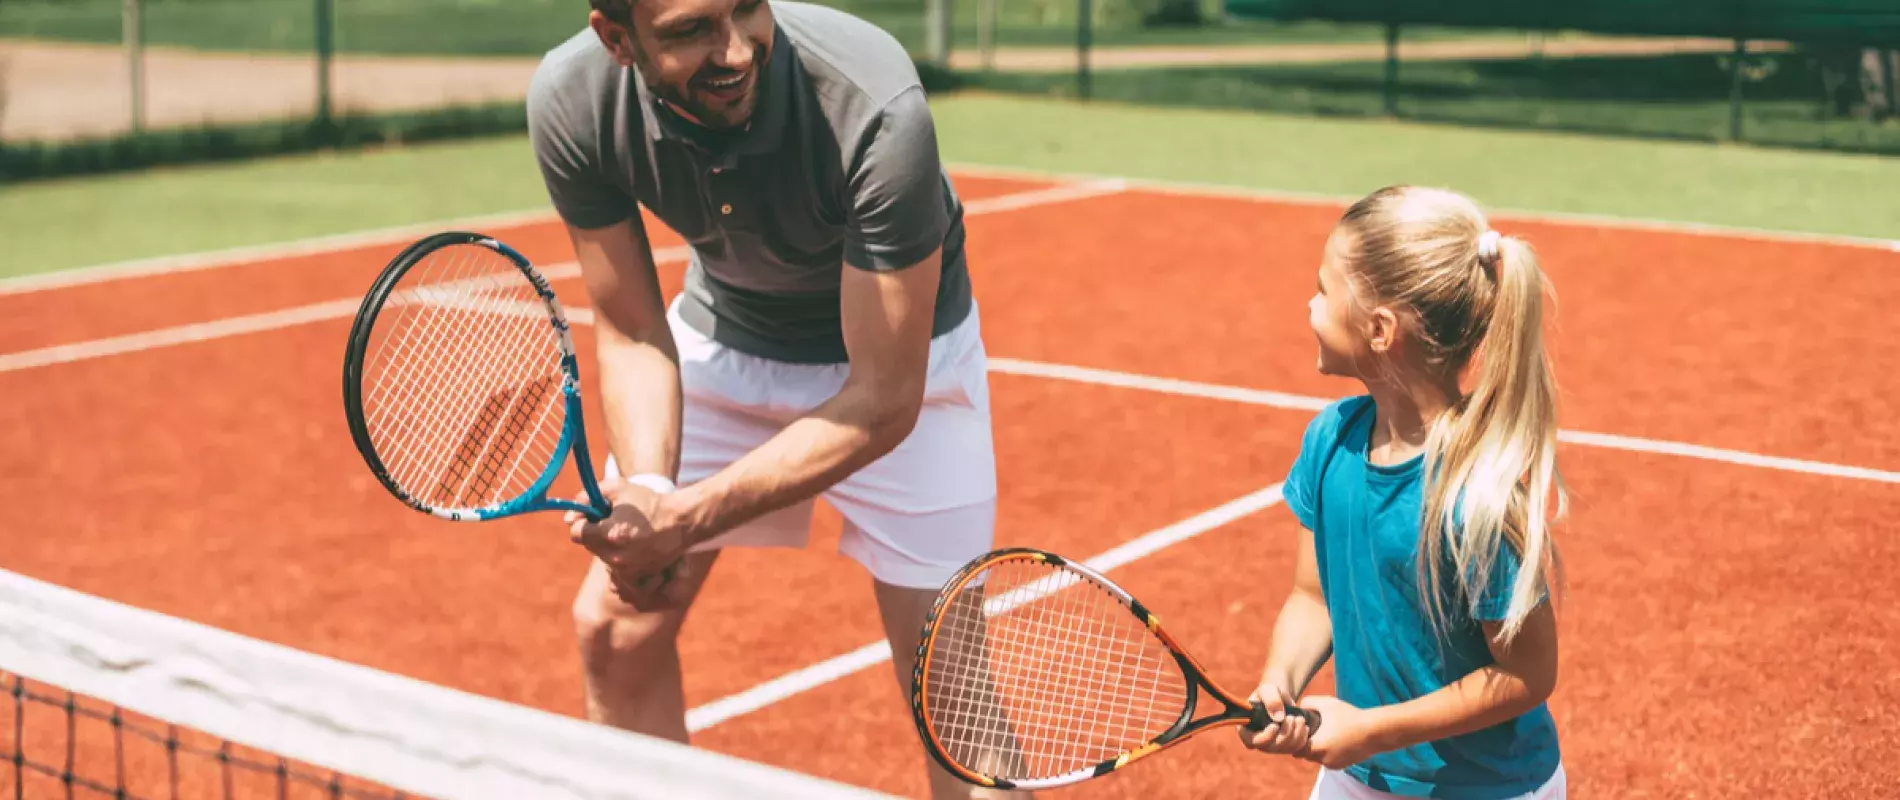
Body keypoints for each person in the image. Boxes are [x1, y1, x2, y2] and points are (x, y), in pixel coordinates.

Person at [525, 1, 1023, 797]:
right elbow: (627, 324)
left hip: (905, 366)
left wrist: (684, 521)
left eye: (748, 7)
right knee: (616, 631)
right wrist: (651, 492)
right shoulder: (572, 98)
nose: (736, 50)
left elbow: (884, 400)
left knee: (950, 687)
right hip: (726, 339)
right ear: (617, 40)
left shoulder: (873, 103)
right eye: (691, 30)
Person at [1239, 186, 1568, 799]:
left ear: (1380, 329)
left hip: (1485, 788)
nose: (1309, 305)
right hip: (1358, 773)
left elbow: (1527, 673)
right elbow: (1312, 598)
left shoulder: (1475, 496)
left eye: (1322, 290)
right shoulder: (1328, 440)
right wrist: (1280, 680)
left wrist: (1372, 730)